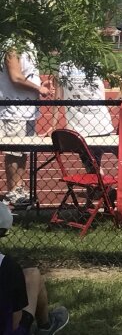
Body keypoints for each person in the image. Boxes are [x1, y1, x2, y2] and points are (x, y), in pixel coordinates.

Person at [0, 204, 70, 334]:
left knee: (30, 273)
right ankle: (45, 326)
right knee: (33, 274)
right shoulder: (8, 266)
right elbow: (15, 322)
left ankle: (46, 325)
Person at [0, 42, 50, 204]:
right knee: (14, 152)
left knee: (23, 152)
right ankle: (13, 190)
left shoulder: (29, 44)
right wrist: (38, 89)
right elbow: (16, 77)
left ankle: (19, 188)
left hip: (27, 109)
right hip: (14, 108)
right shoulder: (12, 44)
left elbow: (28, 74)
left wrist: (39, 85)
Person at [53, 63, 115, 138]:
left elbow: (58, 99)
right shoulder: (97, 66)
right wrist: (111, 106)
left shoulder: (63, 67)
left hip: (79, 129)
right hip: (100, 126)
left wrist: (53, 126)